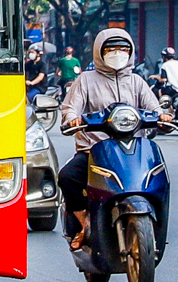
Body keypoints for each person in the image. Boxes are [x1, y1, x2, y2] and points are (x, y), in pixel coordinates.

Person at [60, 29, 169, 250]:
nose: (117, 53)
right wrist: (72, 119)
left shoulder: (137, 81)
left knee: (160, 179)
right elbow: (71, 108)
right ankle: (85, 224)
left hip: (133, 150)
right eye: (111, 49)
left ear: (131, 52)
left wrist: (163, 116)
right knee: (67, 177)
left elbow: (154, 107)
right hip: (95, 150)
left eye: (123, 49)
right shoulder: (86, 80)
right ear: (100, 51)